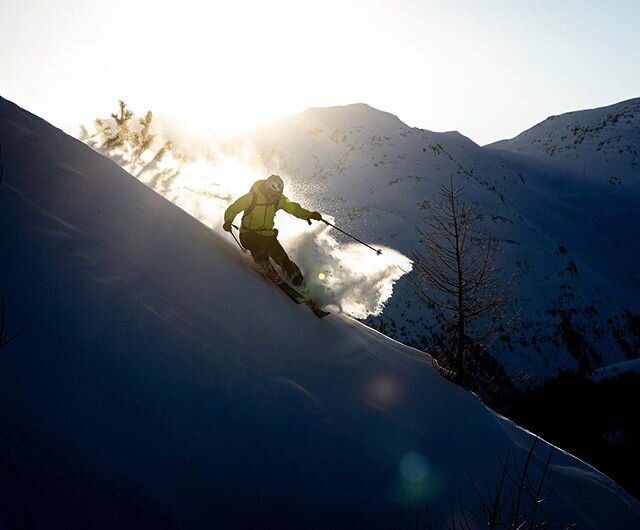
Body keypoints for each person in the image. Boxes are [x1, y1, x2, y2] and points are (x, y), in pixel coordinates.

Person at [223, 174, 322, 287]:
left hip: (267, 234)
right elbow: (233, 208)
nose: (274, 196)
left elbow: (294, 208)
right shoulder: (252, 197)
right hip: (248, 234)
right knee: (259, 248)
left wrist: (309, 215)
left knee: (283, 259)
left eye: (277, 193)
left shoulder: (278, 200)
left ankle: (299, 282)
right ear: (267, 188)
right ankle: (267, 268)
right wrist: (228, 221)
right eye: (273, 193)